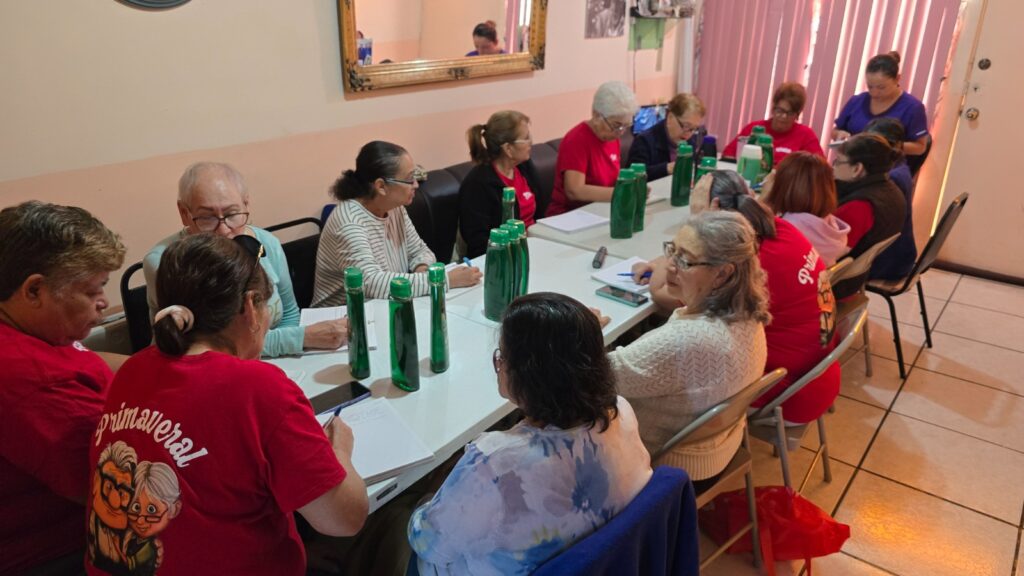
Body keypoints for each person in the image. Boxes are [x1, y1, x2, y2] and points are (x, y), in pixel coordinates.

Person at [86, 233, 369, 575]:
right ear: (250, 307)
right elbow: (346, 519)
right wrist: (341, 451)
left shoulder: (133, 370)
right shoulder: (259, 388)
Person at [409, 293, 652, 575]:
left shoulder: (494, 463)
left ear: (527, 376)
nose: (499, 366)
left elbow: (429, 545)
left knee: (396, 513)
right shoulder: (620, 412)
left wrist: (426, 503)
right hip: (606, 560)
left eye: (502, 358)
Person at [0, 201, 125, 574]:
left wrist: (173, 370)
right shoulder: (32, 382)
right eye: (92, 290)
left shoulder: (38, 328)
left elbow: (89, 358)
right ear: (35, 290)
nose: (103, 302)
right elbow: (113, 492)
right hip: (65, 550)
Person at [613, 211, 770, 491]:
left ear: (723, 273)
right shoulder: (747, 314)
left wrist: (582, 328)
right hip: (717, 447)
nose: (670, 266)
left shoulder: (686, 340)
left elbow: (597, 378)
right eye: (671, 251)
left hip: (669, 467)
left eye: (685, 260)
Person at [144, 162, 345, 357]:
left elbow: (290, 314)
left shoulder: (266, 243)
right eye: (207, 218)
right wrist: (300, 338)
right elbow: (207, 348)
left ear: (246, 204)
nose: (223, 230)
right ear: (184, 213)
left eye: (232, 214)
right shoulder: (169, 264)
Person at [691, 173, 841, 426]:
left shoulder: (744, 264)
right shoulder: (782, 228)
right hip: (816, 377)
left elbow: (668, 295)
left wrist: (697, 230)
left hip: (786, 395)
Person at [313, 141, 482, 305]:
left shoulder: (395, 208)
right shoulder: (349, 223)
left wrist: (422, 268)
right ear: (381, 186)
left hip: (386, 304)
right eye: (409, 179)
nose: (416, 185)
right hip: (343, 315)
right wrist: (443, 280)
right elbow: (372, 284)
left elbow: (419, 250)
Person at [459, 110, 546, 258]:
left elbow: (540, 214)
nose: (531, 142)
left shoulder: (524, 167)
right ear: (508, 149)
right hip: (502, 256)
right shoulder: (478, 183)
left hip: (533, 245)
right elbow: (478, 242)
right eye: (526, 138)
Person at [832, 133, 907, 299]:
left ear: (857, 169)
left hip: (835, 282)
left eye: (838, 161)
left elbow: (827, 254)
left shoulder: (859, 206)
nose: (833, 167)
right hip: (856, 276)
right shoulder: (891, 191)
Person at [548, 81, 638, 215]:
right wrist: (622, 193)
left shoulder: (612, 136)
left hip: (602, 209)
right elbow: (574, 191)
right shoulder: (577, 140)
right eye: (616, 125)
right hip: (571, 214)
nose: (621, 132)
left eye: (626, 125)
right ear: (596, 115)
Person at [832, 52, 929, 158]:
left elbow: (920, 147)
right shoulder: (857, 101)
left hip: (888, 165)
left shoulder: (913, 108)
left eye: (881, 87)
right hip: (852, 162)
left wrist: (886, 146)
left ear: (897, 79)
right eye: (870, 87)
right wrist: (839, 135)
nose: (874, 93)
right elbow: (835, 131)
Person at [761, 151, 851, 266]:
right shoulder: (830, 223)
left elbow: (748, 241)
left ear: (782, 186)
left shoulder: (789, 228)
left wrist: (764, 199)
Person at [864, 117, 917, 280]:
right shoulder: (900, 167)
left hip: (889, 262)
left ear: (897, 145)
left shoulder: (892, 178)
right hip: (898, 256)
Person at [721, 82, 825, 164]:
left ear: (797, 115)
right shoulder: (754, 129)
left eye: (790, 113)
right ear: (773, 108)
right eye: (780, 110)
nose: (783, 117)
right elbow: (728, 155)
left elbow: (820, 166)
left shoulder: (806, 135)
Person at [626, 92, 707, 181]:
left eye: (694, 129)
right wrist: (666, 168)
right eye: (686, 126)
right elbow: (633, 176)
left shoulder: (691, 140)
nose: (689, 133)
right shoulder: (644, 140)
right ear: (670, 117)